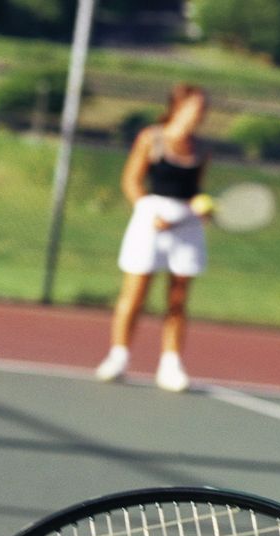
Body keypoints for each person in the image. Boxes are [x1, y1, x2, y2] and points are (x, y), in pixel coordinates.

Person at [94, 83, 210, 392]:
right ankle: (118, 356)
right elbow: (131, 180)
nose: (200, 113)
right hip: (149, 222)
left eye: (203, 108)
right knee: (135, 293)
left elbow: (196, 190)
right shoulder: (151, 138)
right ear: (178, 107)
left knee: (177, 298)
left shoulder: (201, 149)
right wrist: (150, 212)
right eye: (195, 107)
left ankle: (170, 365)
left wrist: (201, 208)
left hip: (186, 227)